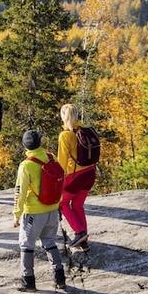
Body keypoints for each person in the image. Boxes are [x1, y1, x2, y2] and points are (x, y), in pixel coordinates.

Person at [13, 130, 66, 292]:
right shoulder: (51, 157)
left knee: (27, 245)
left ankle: (28, 281)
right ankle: (60, 278)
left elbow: (20, 192)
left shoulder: (26, 165)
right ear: (40, 143)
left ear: (25, 146)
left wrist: (16, 214)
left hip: (34, 213)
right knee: (50, 242)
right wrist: (59, 205)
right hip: (52, 209)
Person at [57, 103, 97, 250]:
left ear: (63, 116)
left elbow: (62, 163)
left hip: (76, 176)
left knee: (62, 204)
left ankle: (79, 232)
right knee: (78, 205)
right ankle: (83, 240)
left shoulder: (65, 135)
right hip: (90, 173)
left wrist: (58, 182)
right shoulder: (86, 130)